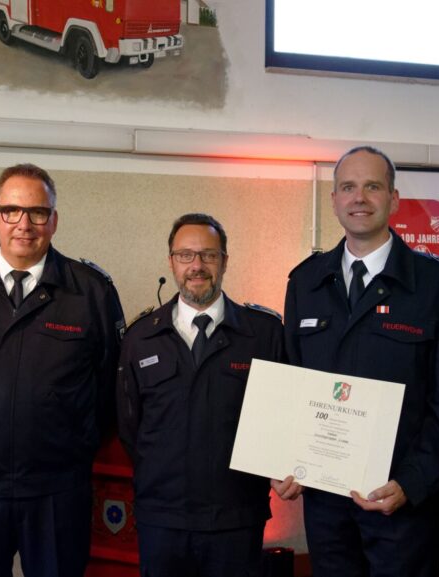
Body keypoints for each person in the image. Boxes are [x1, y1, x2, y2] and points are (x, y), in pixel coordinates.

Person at [0, 163, 125, 577]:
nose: (25, 224)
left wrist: (74, 435)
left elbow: (110, 384)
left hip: (57, 489)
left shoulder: (90, 290)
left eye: (37, 212)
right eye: (12, 211)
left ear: (53, 220)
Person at [283, 146, 439, 577]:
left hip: (401, 501)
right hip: (327, 503)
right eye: (347, 187)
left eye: (372, 186)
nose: (359, 197)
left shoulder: (436, 286)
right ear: (334, 200)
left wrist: (412, 482)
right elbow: (292, 385)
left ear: (393, 198)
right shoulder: (305, 282)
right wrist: (284, 459)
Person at [117, 214, 301, 577]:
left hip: (236, 519)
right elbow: (130, 427)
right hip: (162, 520)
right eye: (185, 255)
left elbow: (288, 417)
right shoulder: (139, 338)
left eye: (208, 255)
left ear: (225, 261)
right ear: (171, 261)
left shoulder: (264, 334)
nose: (196, 266)